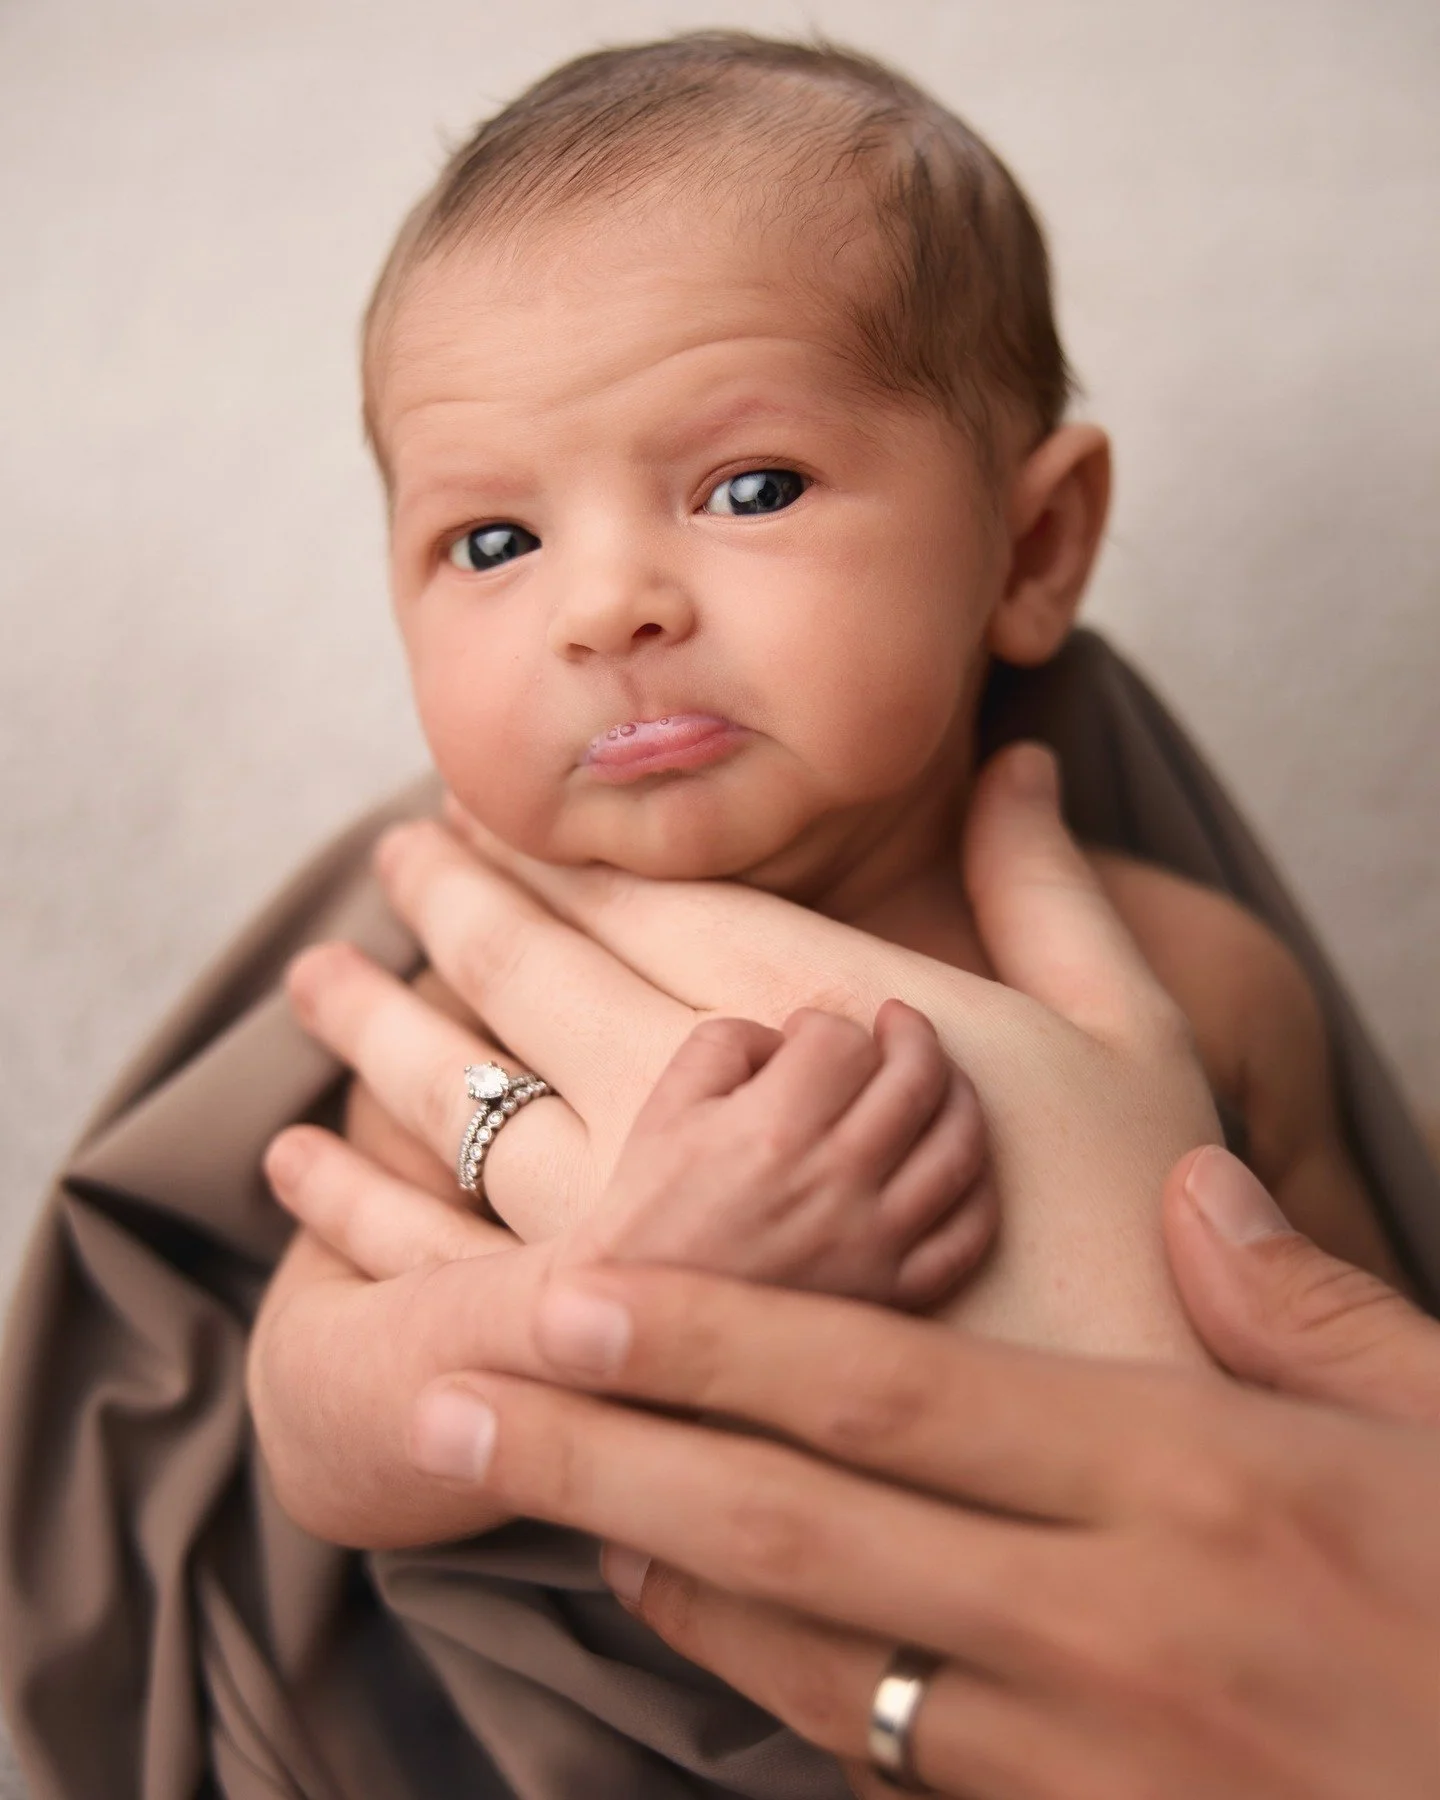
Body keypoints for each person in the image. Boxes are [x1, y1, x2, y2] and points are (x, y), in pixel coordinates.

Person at [252, 755, 1440, 1799]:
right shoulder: (483, 1026)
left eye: (760, 491)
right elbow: (304, 1426)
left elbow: (1360, 1433)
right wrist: (592, 1300)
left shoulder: (1188, 973)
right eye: (494, 542)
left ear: (1034, 551)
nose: (609, 602)